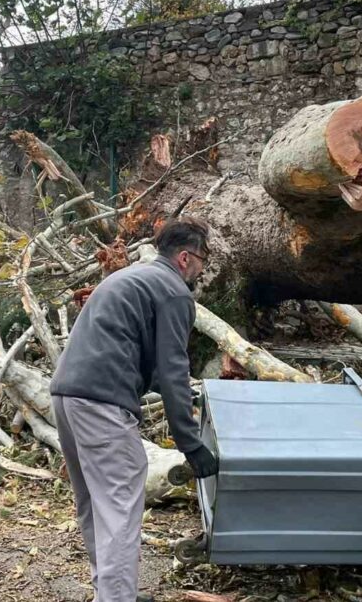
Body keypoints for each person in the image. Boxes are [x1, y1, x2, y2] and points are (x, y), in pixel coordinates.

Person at [50, 218, 219, 602]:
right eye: (203, 259)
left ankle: (111, 592)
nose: (203, 269)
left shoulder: (133, 277)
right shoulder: (175, 292)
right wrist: (192, 446)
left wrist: (183, 394)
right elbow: (174, 368)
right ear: (184, 257)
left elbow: (139, 355)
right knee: (121, 506)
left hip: (66, 394)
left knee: (96, 504)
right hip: (102, 403)